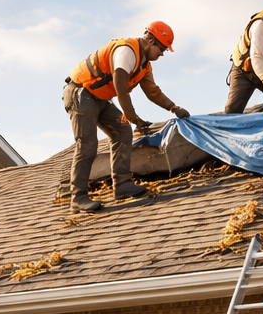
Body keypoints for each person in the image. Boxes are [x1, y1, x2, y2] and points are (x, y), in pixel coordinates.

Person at [62, 22, 190, 213]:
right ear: (151, 40)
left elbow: (153, 92)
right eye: (162, 48)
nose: (162, 54)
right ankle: (78, 197)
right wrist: (131, 115)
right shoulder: (127, 51)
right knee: (87, 144)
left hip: (100, 97)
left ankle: (122, 185)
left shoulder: (144, 65)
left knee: (122, 131)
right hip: (81, 92)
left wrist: (174, 108)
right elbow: (120, 85)